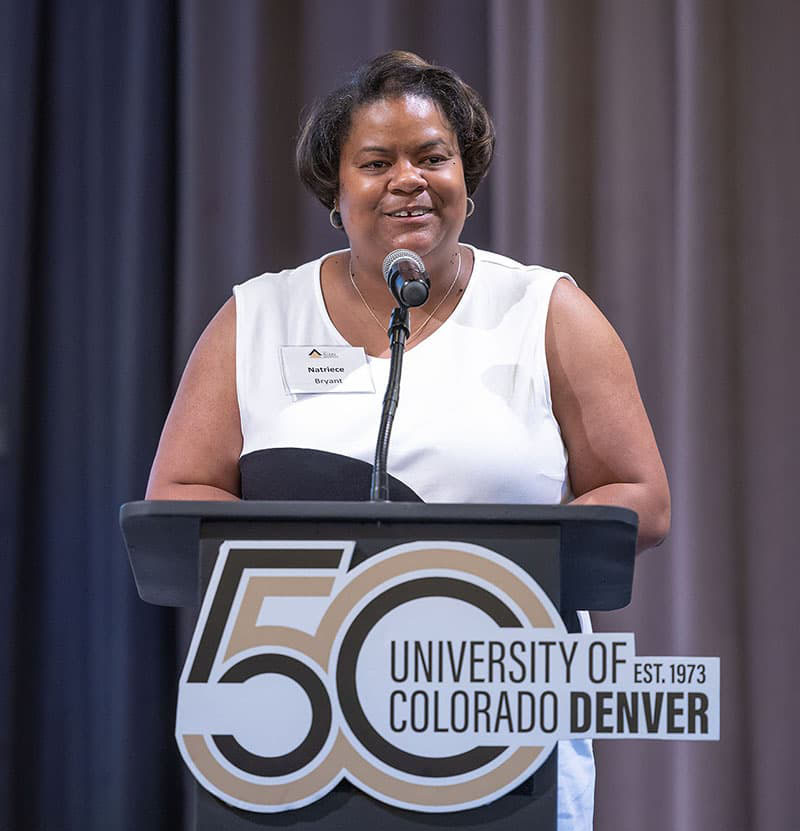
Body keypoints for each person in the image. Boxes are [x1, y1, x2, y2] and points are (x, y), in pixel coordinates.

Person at [147, 51, 670, 829]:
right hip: (299, 713)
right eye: (376, 162)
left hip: (501, 711)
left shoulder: (545, 310)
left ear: (467, 175)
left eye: (433, 157)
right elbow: (178, 496)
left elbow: (642, 498)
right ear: (335, 188)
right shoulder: (257, 319)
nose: (408, 180)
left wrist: (500, 565)